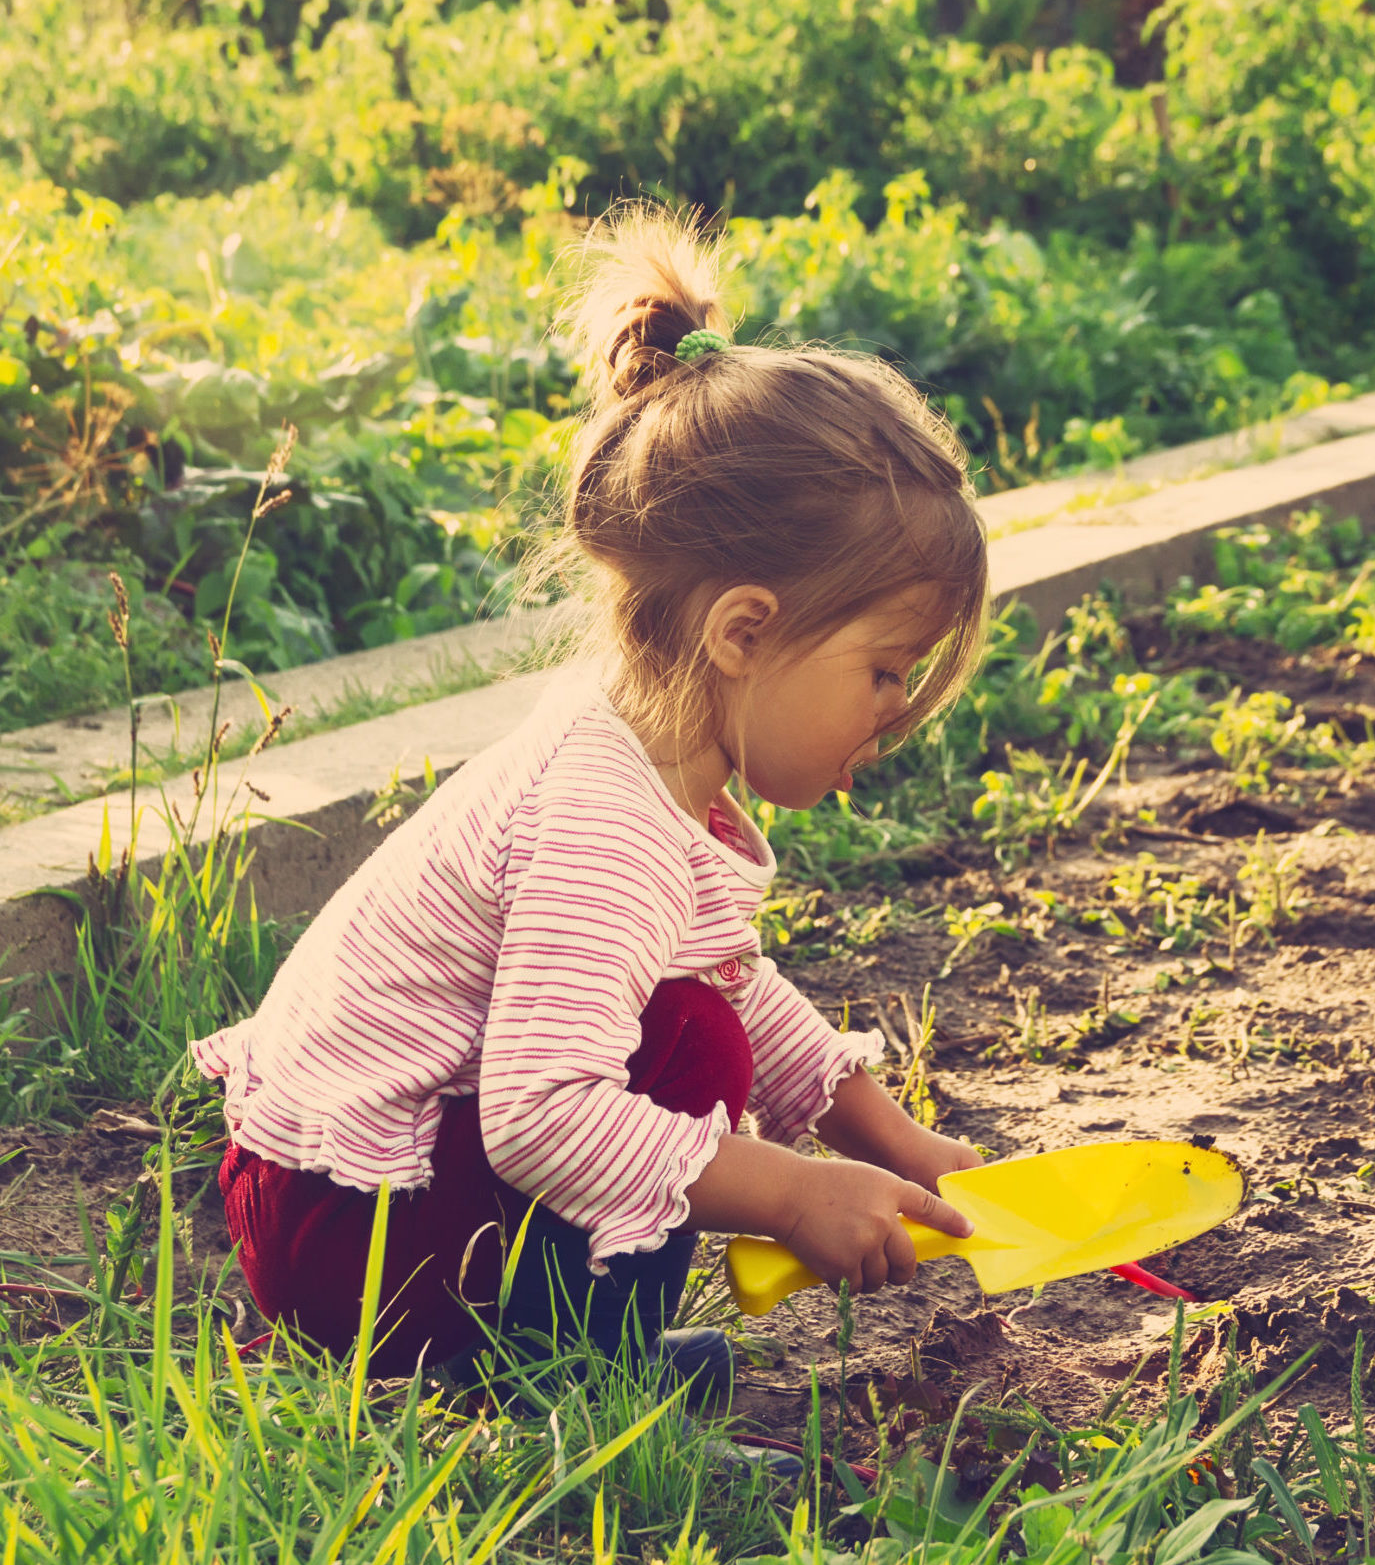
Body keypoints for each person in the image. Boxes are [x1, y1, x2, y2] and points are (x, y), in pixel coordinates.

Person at [191, 207, 989, 1396]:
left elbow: (724, 968)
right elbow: (538, 1115)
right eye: (884, 670)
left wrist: (884, 1137)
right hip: (350, 1232)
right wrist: (787, 1188)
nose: (897, 710)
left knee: (689, 1015)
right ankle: (549, 1372)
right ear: (745, 630)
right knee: (685, 1044)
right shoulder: (601, 815)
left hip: (351, 1203)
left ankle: (546, 1341)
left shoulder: (650, 755)